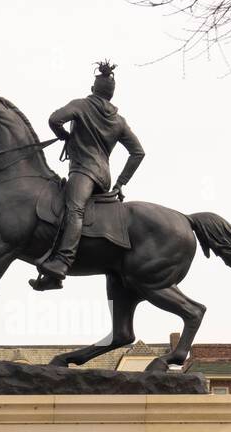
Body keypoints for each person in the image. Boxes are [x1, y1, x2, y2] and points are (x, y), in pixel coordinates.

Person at [29, 61, 145, 291]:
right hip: (104, 178)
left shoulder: (81, 105)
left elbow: (54, 119)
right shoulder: (119, 121)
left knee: (74, 209)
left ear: (93, 88)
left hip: (84, 171)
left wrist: (64, 136)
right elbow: (137, 152)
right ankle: (54, 271)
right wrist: (120, 183)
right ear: (111, 95)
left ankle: (62, 263)